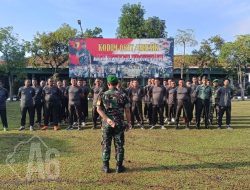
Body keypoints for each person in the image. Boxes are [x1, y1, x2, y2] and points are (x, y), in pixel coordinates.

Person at [97, 75, 131, 173]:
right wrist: (128, 123)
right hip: (119, 124)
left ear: (108, 84)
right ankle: (119, 166)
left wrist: (107, 119)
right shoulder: (123, 95)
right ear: (117, 84)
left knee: (106, 144)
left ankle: (105, 167)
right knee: (119, 144)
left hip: (106, 124)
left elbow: (98, 109)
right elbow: (127, 110)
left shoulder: (102, 95)